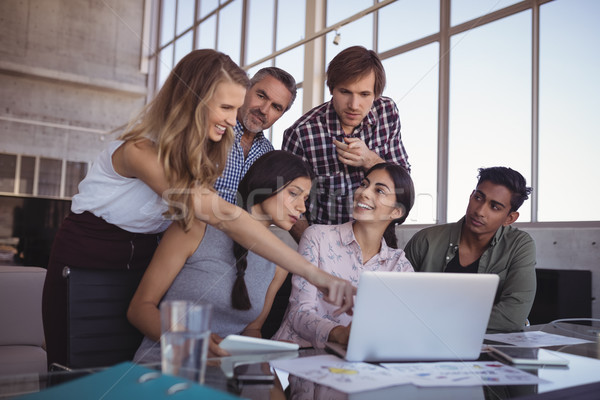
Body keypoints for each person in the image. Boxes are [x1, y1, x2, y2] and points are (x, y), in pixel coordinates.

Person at [42, 49, 354, 367]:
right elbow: (227, 218)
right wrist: (318, 276)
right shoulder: (141, 151)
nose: (234, 121)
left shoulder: (204, 153)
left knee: (116, 363)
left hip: (142, 262)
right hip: (85, 261)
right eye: (226, 108)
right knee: (73, 370)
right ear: (195, 98)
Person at [129, 151, 313, 362]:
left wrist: (265, 349)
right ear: (266, 183)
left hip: (224, 375)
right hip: (165, 367)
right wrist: (191, 343)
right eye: (293, 193)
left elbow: (252, 329)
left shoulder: (279, 263)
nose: (302, 207)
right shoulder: (195, 228)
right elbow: (139, 309)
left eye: (305, 199)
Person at [272, 163, 415, 349]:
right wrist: (338, 334)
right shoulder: (317, 237)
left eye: (379, 190)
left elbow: (402, 327)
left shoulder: (400, 266)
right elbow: (299, 312)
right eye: (364, 184)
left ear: (396, 212)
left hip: (356, 364)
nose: (364, 192)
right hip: (297, 354)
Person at [282, 45, 410, 242]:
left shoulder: (387, 112)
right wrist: (314, 249)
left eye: (364, 94)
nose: (353, 105)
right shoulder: (301, 134)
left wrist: (370, 160)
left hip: (381, 238)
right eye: (345, 92)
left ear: (375, 95)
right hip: (327, 240)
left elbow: (403, 183)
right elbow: (289, 204)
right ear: (331, 88)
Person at [404, 167, 536, 333]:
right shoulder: (426, 240)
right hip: (422, 338)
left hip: (490, 346)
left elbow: (513, 316)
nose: (480, 211)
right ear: (471, 196)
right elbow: (398, 301)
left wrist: (436, 318)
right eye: (478, 198)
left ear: (509, 218)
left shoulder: (519, 245)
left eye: (494, 207)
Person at [214, 67, 297, 204]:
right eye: (261, 96)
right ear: (246, 89)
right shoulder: (213, 129)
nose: (264, 110)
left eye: (276, 107)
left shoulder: (269, 155)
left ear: (281, 115)